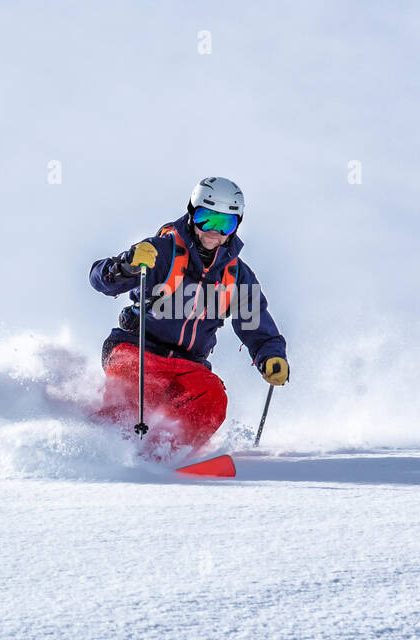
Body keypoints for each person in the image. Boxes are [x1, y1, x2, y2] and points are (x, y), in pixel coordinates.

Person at [89, 177, 289, 451]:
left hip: (188, 366)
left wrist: (271, 355)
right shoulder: (162, 251)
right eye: (207, 219)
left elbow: (256, 325)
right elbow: (100, 279)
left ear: (236, 226)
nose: (214, 232)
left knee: (213, 397)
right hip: (137, 350)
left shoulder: (237, 275)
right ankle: (106, 447)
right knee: (137, 386)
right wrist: (126, 265)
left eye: (225, 224)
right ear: (193, 213)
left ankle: (167, 455)